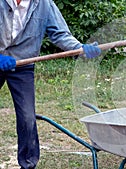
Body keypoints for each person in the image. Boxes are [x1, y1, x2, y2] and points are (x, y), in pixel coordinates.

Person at [0, 0, 101, 168]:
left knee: (27, 118)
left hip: (23, 64)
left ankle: (28, 164)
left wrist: (80, 48)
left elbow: (60, 34)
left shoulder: (44, 4)